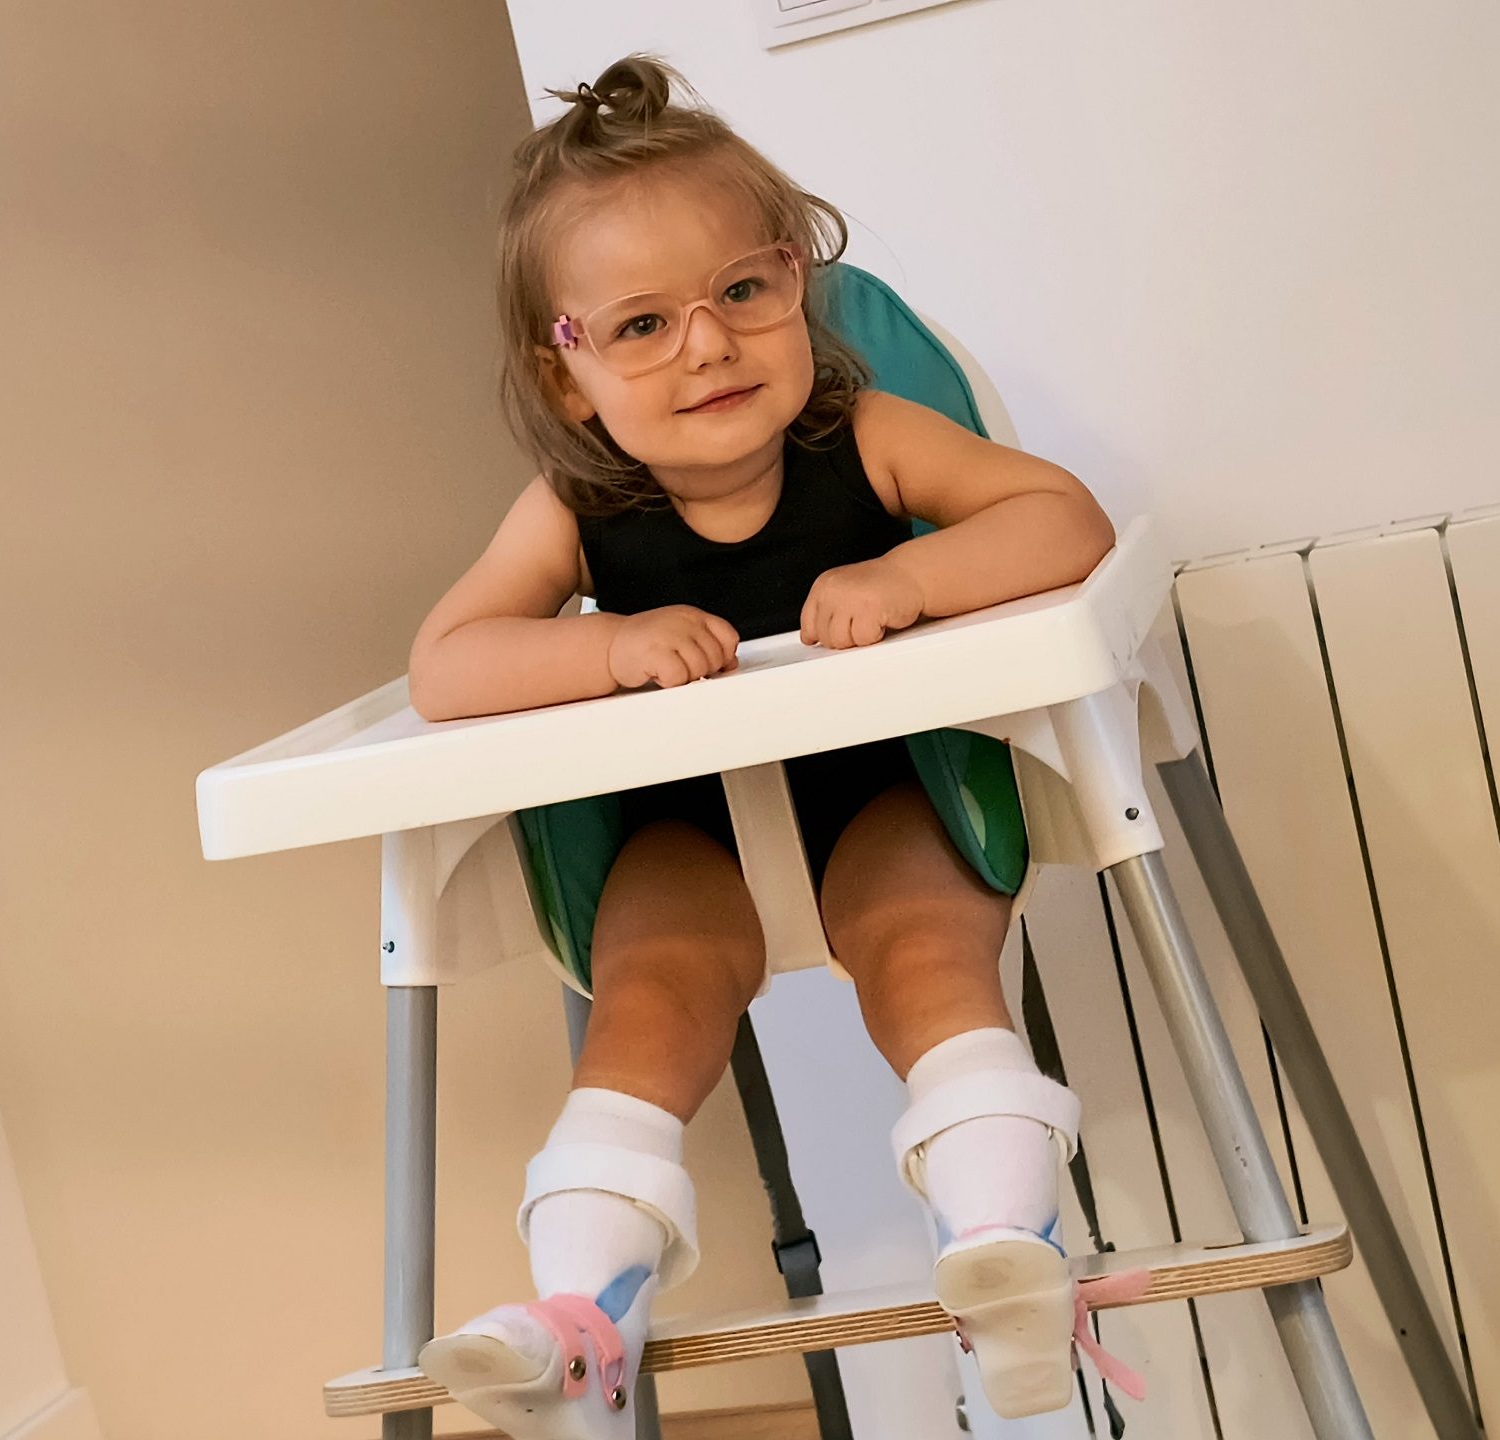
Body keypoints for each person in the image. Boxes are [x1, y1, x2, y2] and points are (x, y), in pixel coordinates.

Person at [408, 54, 1115, 1439]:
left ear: (800, 281)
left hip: (885, 795)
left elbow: (1063, 520)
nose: (708, 346)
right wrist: (608, 645)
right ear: (568, 375)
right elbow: (449, 663)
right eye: (642, 325)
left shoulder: (869, 440)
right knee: (648, 1005)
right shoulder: (577, 511)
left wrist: (910, 577)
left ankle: (1005, 1258)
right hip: (681, 834)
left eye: (743, 290)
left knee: (925, 955)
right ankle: (577, 1325)